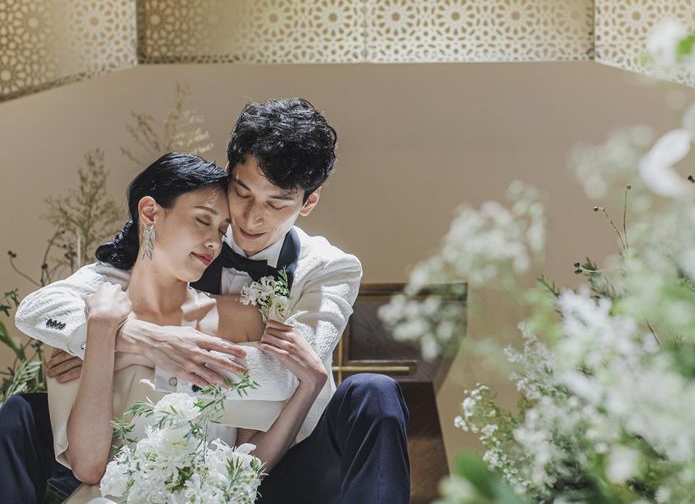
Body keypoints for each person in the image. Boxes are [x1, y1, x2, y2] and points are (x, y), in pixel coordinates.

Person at [6, 98, 410, 503]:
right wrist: (119, 338)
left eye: (276, 203)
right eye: (242, 193)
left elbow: (282, 376)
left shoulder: (330, 268)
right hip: (145, 457)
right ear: (229, 173)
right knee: (19, 414)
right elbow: (41, 309)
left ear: (309, 202)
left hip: (290, 459)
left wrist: (125, 354)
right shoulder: (177, 237)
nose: (250, 218)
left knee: (375, 392)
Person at [46, 152, 329, 503]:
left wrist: (309, 386)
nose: (214, 242)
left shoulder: (239, 319)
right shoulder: (87, 319)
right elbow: (89, 467)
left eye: (222, 230)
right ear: (150, 212)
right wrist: (104, 331)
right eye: (202, 220)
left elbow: (247, 464)